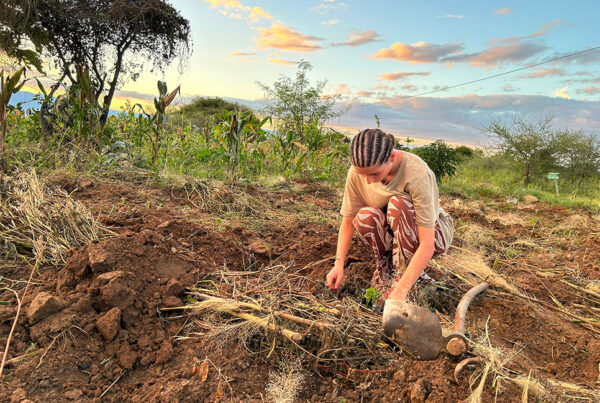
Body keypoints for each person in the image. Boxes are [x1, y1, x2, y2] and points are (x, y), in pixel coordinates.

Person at [325, 128, 454, 303]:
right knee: (365, 216)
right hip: (394, 231)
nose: (367, 181)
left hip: (435, 232)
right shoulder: (358, 172)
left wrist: (402, 289)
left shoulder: (417, 173)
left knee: (398, 205)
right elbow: (348, 223)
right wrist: (338, 264)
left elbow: (427, 244)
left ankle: (409, 282)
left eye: (374, 173)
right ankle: (385, 275)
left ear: (392, 157)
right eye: (362, 174)